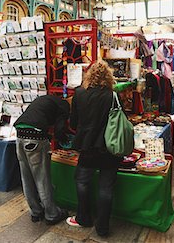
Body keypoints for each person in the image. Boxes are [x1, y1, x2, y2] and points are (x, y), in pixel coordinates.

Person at [67, 61, 121, 237]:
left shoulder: (79, 93)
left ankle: (83, 217)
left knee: (82, 182)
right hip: (108, 146)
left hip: (87, 145)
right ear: (108, 76)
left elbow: (73, 122)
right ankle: (102, 228)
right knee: (106, 188)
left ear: (89, 75)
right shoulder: (112, 95)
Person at [13, 95, 70, 225]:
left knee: (26, 177)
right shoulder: (64, 105)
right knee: (42, 178)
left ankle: (36, 211)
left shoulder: (47, 99)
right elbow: (60, 130)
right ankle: (51, 214)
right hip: (36, 136)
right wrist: (64, 140)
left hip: (20, 133)